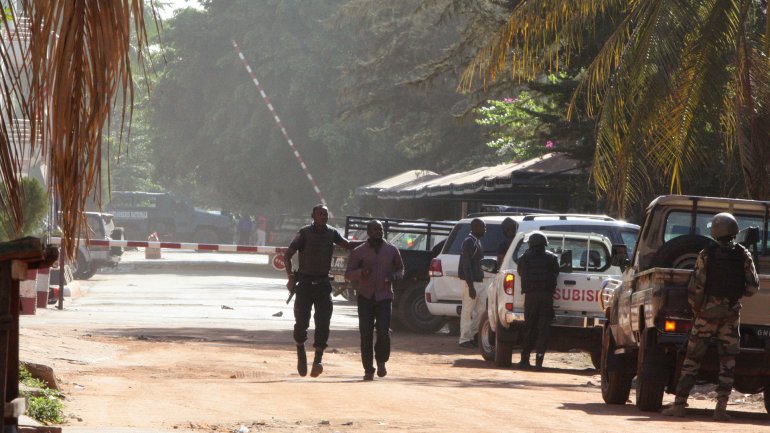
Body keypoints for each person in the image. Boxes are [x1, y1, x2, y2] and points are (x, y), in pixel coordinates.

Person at [662, 213, 759, 421]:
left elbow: (696, 287)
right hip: (731, 315)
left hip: (706, 314)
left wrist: (698, 309)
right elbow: (752, 287)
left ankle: (679, 405)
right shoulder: (744, 254)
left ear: (715, 232)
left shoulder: (706, 254)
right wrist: (733, 296)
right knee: (728, 363)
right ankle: (720, 409)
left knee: (692, 360)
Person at [284, 204, 353, 378]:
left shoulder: (332, 233)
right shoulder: (304, 233)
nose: (324, 216)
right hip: (305, 284)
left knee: (323, 322)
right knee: (301, 323)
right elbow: (288, 254)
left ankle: (317, 361)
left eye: (326, 214)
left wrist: (370, 242)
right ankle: (301, 351)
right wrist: (291, 277)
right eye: (320, 214)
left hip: (323, 284)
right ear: (313, 216)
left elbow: (348, 245)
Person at [345, 220, 404, 381]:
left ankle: (381, 361)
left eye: (381, 229)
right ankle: (368, 369)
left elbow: (401, 269)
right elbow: (348, 274)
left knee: (383, 332)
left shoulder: (391, 250)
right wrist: (361, 272)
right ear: (368, 232)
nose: (379, 231)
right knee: (366, 334)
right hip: (365, 297)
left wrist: (393, 276)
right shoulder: (359, 252)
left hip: (384, 297)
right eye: (375, 229)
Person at [517, 231, 559, 369]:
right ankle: (539, 361)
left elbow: (520, 272)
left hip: (531, 297)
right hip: (546, 297)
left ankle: (525, 359)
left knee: (529, 327)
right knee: (543, 329)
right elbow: (556, 273)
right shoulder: (552, 258)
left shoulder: (524, 257)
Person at [458, 218, 486, 348]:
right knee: (467, 311)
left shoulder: (477, 241)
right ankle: (464, 339)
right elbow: (466, 265)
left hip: (479, 281)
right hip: (471, 282)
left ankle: (474, 335)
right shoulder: (468, 242)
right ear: (475, 228)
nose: (485, 230)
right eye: (483, 227)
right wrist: (470, 286)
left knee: (481, 310)